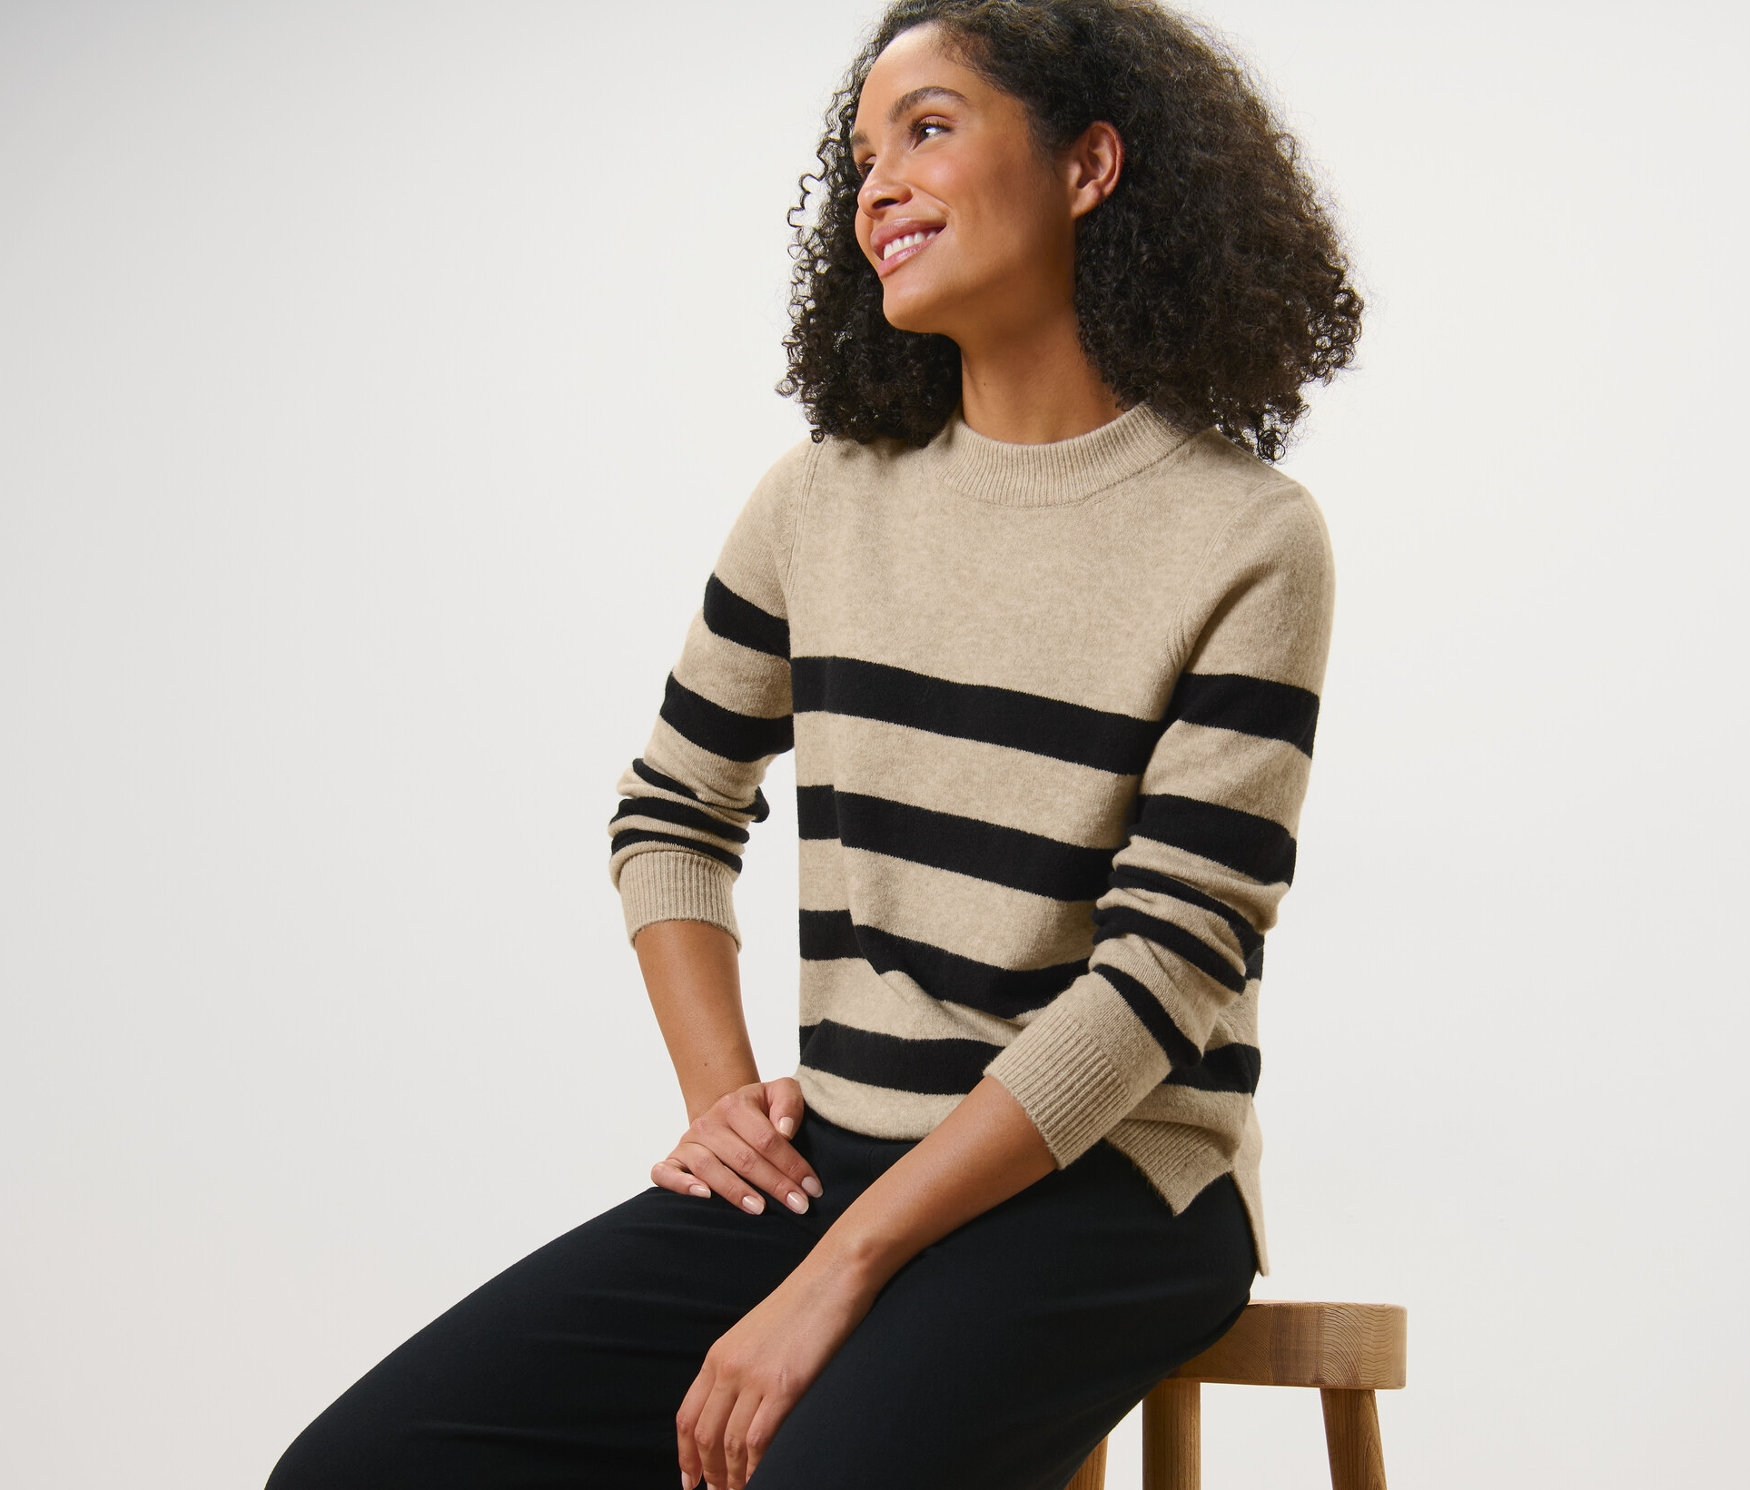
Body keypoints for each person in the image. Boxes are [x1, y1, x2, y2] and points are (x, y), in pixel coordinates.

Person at [263, 1, 1362, 1487]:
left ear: (1087, 165)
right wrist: (727, 1110)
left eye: (928, 129)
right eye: (860, 152)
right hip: (842, 1151)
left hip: (1112, 1187)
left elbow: (1166, 967)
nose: (875, 187)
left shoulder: (1244, 538)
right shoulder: (822, 499)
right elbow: (672, 807)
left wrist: (840, 1267)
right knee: (361, 1469)